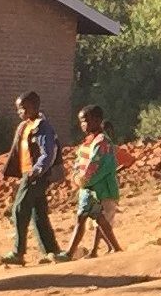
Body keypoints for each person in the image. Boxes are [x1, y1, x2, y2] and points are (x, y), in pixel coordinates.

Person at [0, 91, 64, 266]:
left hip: (37, 175)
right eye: (18, 109)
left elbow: (48, 152)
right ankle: (52, 251)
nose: (20, 112)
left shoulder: (42, 127)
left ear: (35, 107)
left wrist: (38, 169)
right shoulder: (24, 126)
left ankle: (18, 252)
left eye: (23, 108)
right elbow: (18, 151)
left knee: (19, 209)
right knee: (38, 212)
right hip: (28, 172)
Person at [54, 105, 122, 262]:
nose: (83, 125)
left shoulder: (102, 142)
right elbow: (80, 162)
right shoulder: (88, 142)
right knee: (92, 219)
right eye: (81, 122)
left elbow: (97, 166)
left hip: (99, 189)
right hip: (88, 188)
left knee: (89, 218)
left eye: (86, 121)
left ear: (97, 120)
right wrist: (76, 175)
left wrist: (83, 179)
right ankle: (113, 248)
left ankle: (71, 253)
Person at [89, 120, 131, 258]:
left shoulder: (108, 148)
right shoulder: (106, 148)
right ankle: (107, 247)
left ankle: (98, 249)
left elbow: (130, 160)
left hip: (105, 190)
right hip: (102, 190)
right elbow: (129, 160)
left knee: (101, 221)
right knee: (101, 221)